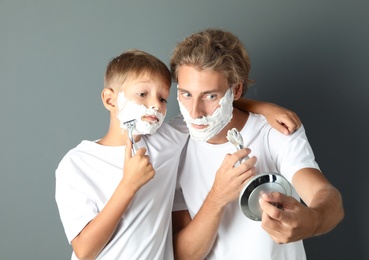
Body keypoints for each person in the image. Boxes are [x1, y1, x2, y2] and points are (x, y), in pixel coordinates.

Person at [55, 49, 302, 259]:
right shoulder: (78, 163)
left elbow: (213, 107)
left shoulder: (165, 140)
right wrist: (128, 186)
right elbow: (85, 250)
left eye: (162, 98)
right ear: (110, 100)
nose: (154, 105)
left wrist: (264, 107)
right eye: (142, 94)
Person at [171, 28, 344, 260]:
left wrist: (311, 221)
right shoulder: (173, 143)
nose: (195, 112)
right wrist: (218, 197)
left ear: (237, 90)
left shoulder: (275, 130)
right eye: (186, 94)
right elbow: (184, 255)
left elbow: (327, 198)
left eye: (210, 96)